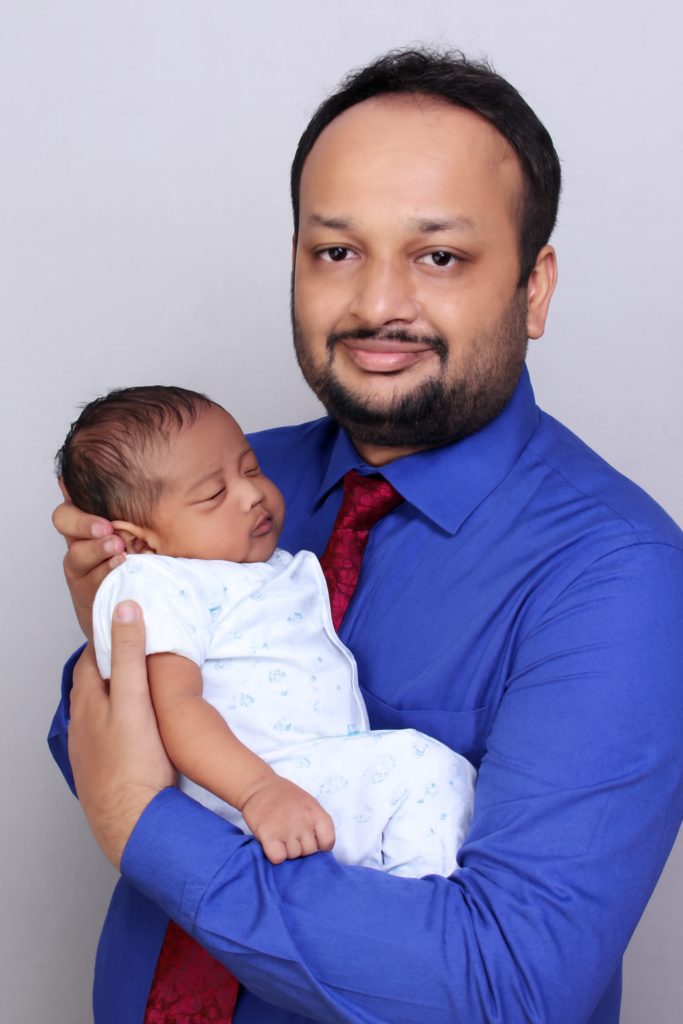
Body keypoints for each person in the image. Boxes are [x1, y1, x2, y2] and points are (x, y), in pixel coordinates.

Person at [50, 48, 683, 1024]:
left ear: (533, 287)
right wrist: (116, 621)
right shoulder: (228, 479)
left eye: (438, 256)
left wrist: (146, 822)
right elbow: (88, 735)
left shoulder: (618, 577)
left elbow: (509, 987)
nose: (377, 303)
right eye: (334, 251)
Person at [58, 383, 475, 875]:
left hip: (298, 773)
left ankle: (401, 904)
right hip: (251, 780)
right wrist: (258, 789)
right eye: (214, 494)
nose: (253, 492)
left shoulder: (248, 567)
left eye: (251, 467)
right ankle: (421, 918)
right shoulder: (157, 580)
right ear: (139, 543)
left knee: (422, 786)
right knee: (427, 772)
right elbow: (174, 706)